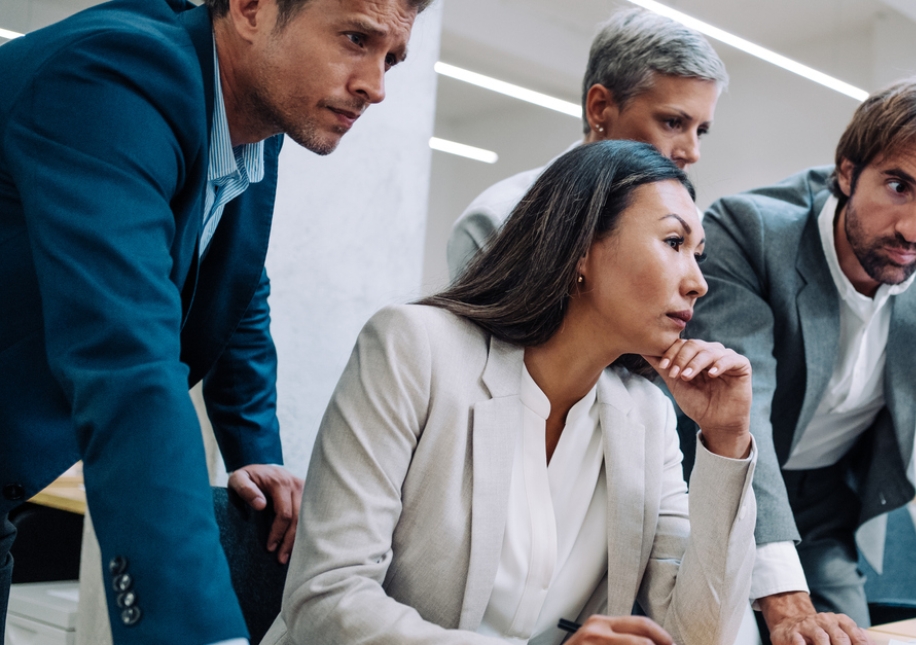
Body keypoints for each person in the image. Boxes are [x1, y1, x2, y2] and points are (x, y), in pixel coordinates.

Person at [0, 0, 431, 640]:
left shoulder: (248, 118)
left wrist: (257, 456)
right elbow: (129, 365)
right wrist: (196, 631)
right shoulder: (114, 77)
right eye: (354, 38)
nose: (376, 85)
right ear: (252, 10)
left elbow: (232, 280)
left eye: (390, 57)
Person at [261, 141, 756, 645]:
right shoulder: (413, 347)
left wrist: (726, 440)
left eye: (699, 255)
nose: (698, 283)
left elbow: (699, 635)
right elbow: (327, 598)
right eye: (674, 243)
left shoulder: (647, 414)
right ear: (581, 247)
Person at [675, 77, 916, 639]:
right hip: (715, 488)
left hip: (827, 497)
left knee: (850, 634)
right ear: (846, 172)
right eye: (897, 186)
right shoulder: (748, 233)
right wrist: (785, 601)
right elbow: (743, 414)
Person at [446, 7, 726, 280]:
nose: (692, 152)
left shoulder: (696, 233)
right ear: (600, 107)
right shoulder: (499, 220)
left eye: (700, 131)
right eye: (673, 123)